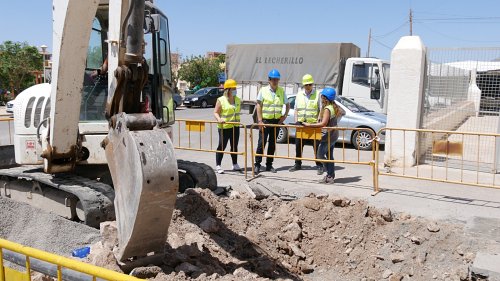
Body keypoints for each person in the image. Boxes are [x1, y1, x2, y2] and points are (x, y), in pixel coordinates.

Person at [303, 87, 345, 184]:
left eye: (322, 96)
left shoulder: (327, 109)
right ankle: (330, 176)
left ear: (325, 98)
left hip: (328, 136)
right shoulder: (334, 106)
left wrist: (309, 125)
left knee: (320, 155)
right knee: (329, 156)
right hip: (333, 134)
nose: (320, 98)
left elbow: (323, 124)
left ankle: (330, 174)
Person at [254, 69, 290, 174]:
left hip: (276, 122)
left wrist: (284, 116)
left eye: (277, 80)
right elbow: (259, 105)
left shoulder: (281, 91)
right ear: (269, 80)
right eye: (273, 79)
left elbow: (287, 104)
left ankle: (269, 165)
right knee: (261, 143)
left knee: (272, 144)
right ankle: (257, 164)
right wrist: (260, 120)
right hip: (265, 121)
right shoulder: (263, 90)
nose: (275, 81)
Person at [289, 74, 323, 174]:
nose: (308, 86)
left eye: (309, 84)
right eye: (306, 85)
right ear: (303, 85)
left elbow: (321, 109)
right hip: (301, 124)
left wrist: (319, 121)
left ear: (312, 84)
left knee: (317, 146)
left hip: (313, 125)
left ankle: (319, 165)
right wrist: (296, 121)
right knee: (298, 145)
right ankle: (298, 163)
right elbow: (296, 109)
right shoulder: (299, 95)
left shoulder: (318, 94)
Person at [213, 79, 242, 174]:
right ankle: (218, 165)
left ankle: (235, 164)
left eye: (235, 88)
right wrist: (219, 119)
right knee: (222, 146)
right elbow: (216, 112)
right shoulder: (221, 100)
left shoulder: (237, 99)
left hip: (235, 127)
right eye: (233, 88)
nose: (235, 90)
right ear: (228, 89)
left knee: (234, 146)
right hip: (224, 127)